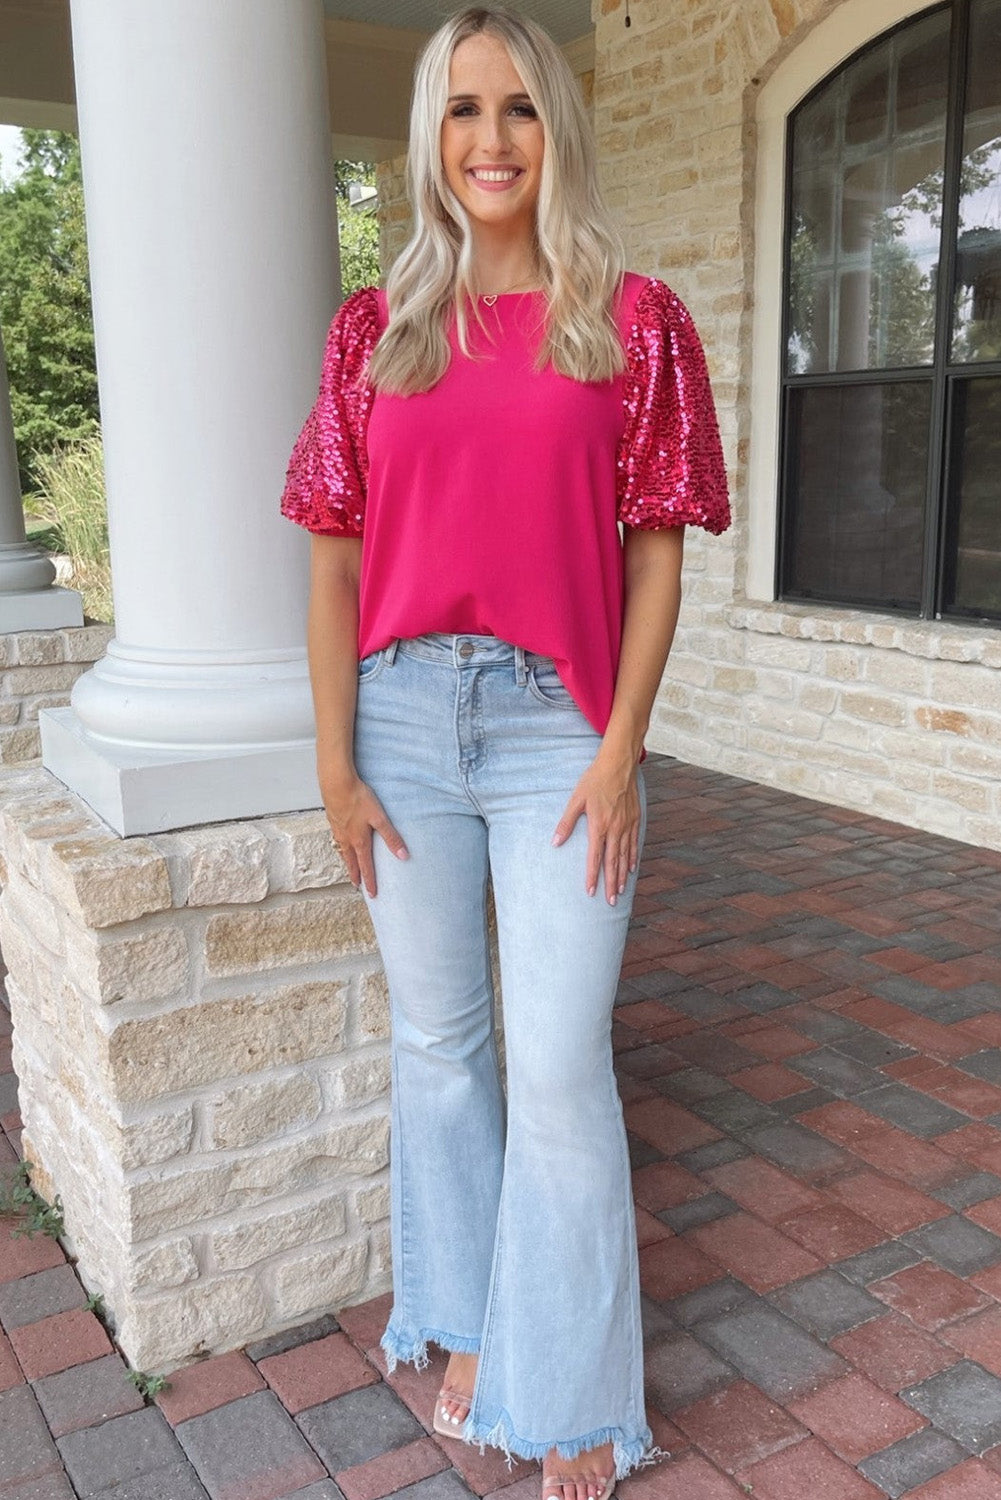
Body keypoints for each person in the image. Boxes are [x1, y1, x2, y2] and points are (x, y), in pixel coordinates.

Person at [279, 8, 730, 1499]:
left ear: (558, 133)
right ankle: (472, 1322)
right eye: (464, 109)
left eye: (520, 110)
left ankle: (577, 1393)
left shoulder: (634, 322)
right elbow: (335, 561)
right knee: (441, 1052)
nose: (489, 139)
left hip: (557, 731)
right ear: (429, 134)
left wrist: (619, 751)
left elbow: (655, 561)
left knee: (553, 1066)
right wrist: (336, 764)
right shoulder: (375, 330)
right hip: (400, 720)